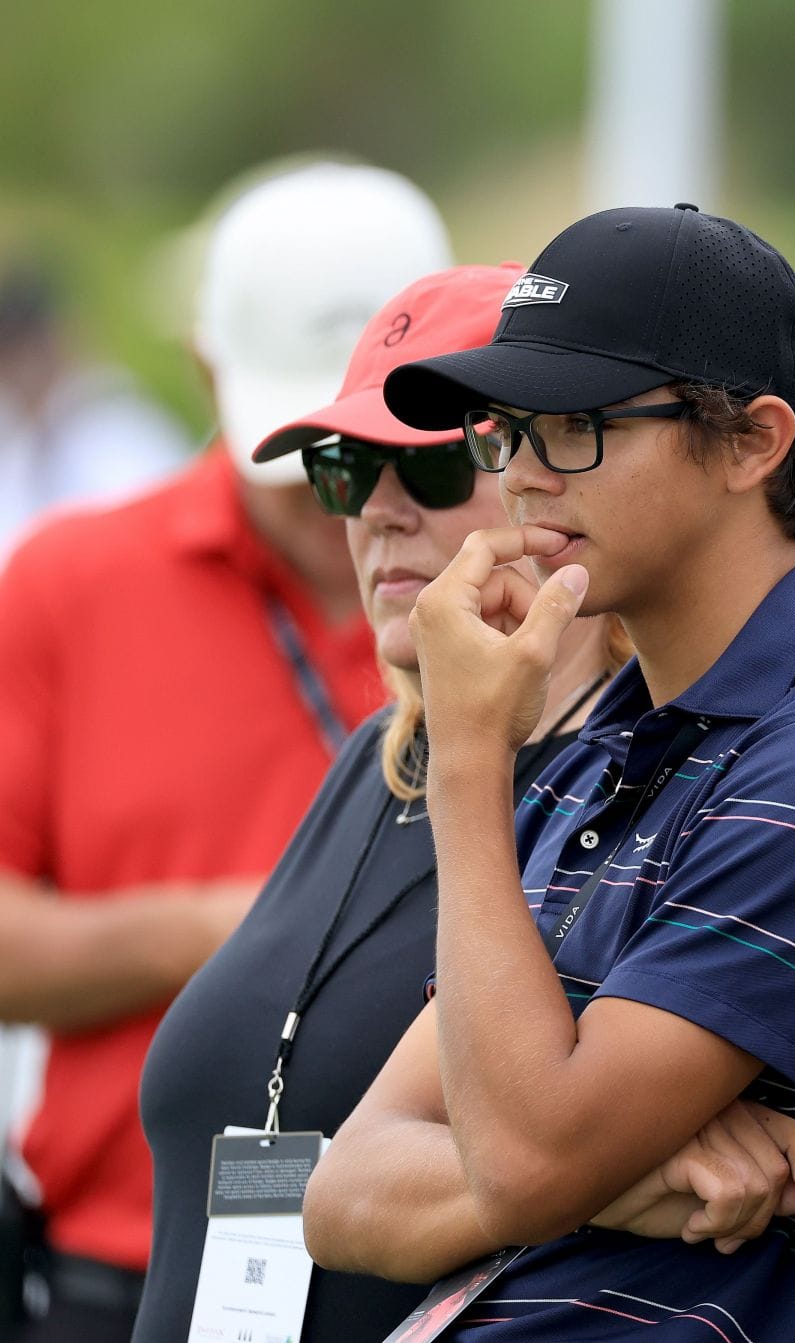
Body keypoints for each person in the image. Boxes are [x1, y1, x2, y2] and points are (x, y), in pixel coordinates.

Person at [302, 203, 795, 1342]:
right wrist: (616, 1174)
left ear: (753, 442)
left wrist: (469, 757)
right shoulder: (609, 744)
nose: (523, 478)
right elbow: (344, 1191)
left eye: (574, 427)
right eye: (505, 432)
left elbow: (522, 1162)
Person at [0, 161, 450, 1343]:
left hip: (448, 1269)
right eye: (308, 452)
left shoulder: (522, 600)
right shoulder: (69, 583)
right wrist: (249, 937)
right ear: (208, 371)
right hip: (123, 1268)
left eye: (388, 441)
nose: (344, 496)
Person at [0, 260, 189, 557]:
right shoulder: (16, 450)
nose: (23, 366)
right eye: (11, 352)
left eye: (30, 346)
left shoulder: (121, 427)